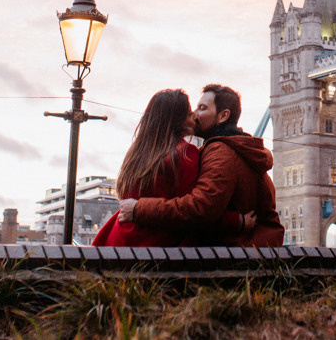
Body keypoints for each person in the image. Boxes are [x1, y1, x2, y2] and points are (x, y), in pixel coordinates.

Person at [118, 83, 284, 247]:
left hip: (233, 252)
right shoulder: (237, 149)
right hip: (248, 249)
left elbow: (201, 208)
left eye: (202, 108)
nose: (195, 115)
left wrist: (139, 209)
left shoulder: (221, 151)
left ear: (223, 116)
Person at [91, 88, 249, 248]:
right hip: (152, 246)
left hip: (119, 240)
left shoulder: (139, 153)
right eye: (190, 114)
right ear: (178, 120)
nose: (195, 116)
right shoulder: (185, 153)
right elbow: (192, 210)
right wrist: (236, 221)